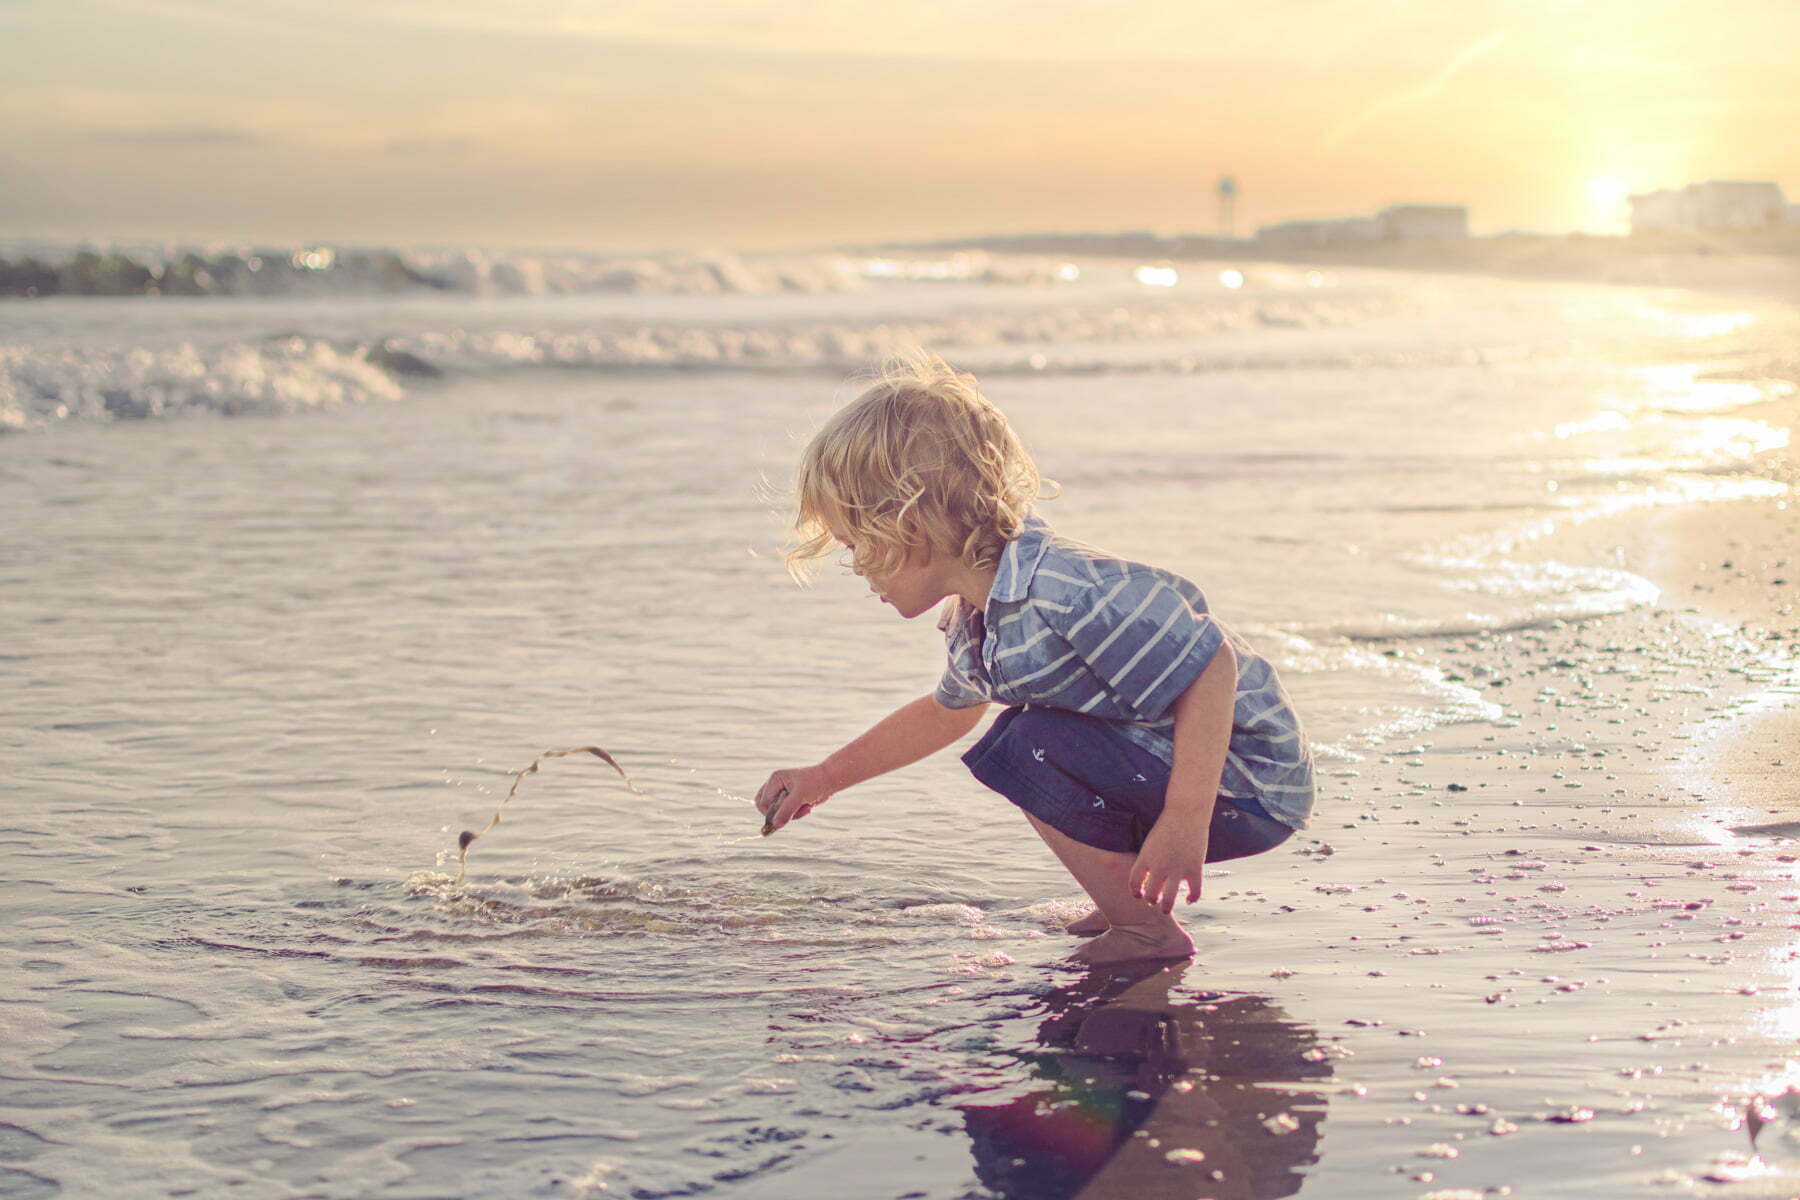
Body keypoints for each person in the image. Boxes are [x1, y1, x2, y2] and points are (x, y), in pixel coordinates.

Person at [754, 351, 1314, 964]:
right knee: (1023, 735)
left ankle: (1147, 933)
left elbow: (1213, 669)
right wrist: (826, 777)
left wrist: (1185, 819)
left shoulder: (1064, 590)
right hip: (1188, 774)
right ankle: (1128, 902)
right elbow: (947, 713)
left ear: (912, 521)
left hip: (1249, 786)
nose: (855, 565)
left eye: (858, 542)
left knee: (1025, 743)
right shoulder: (980, 619)